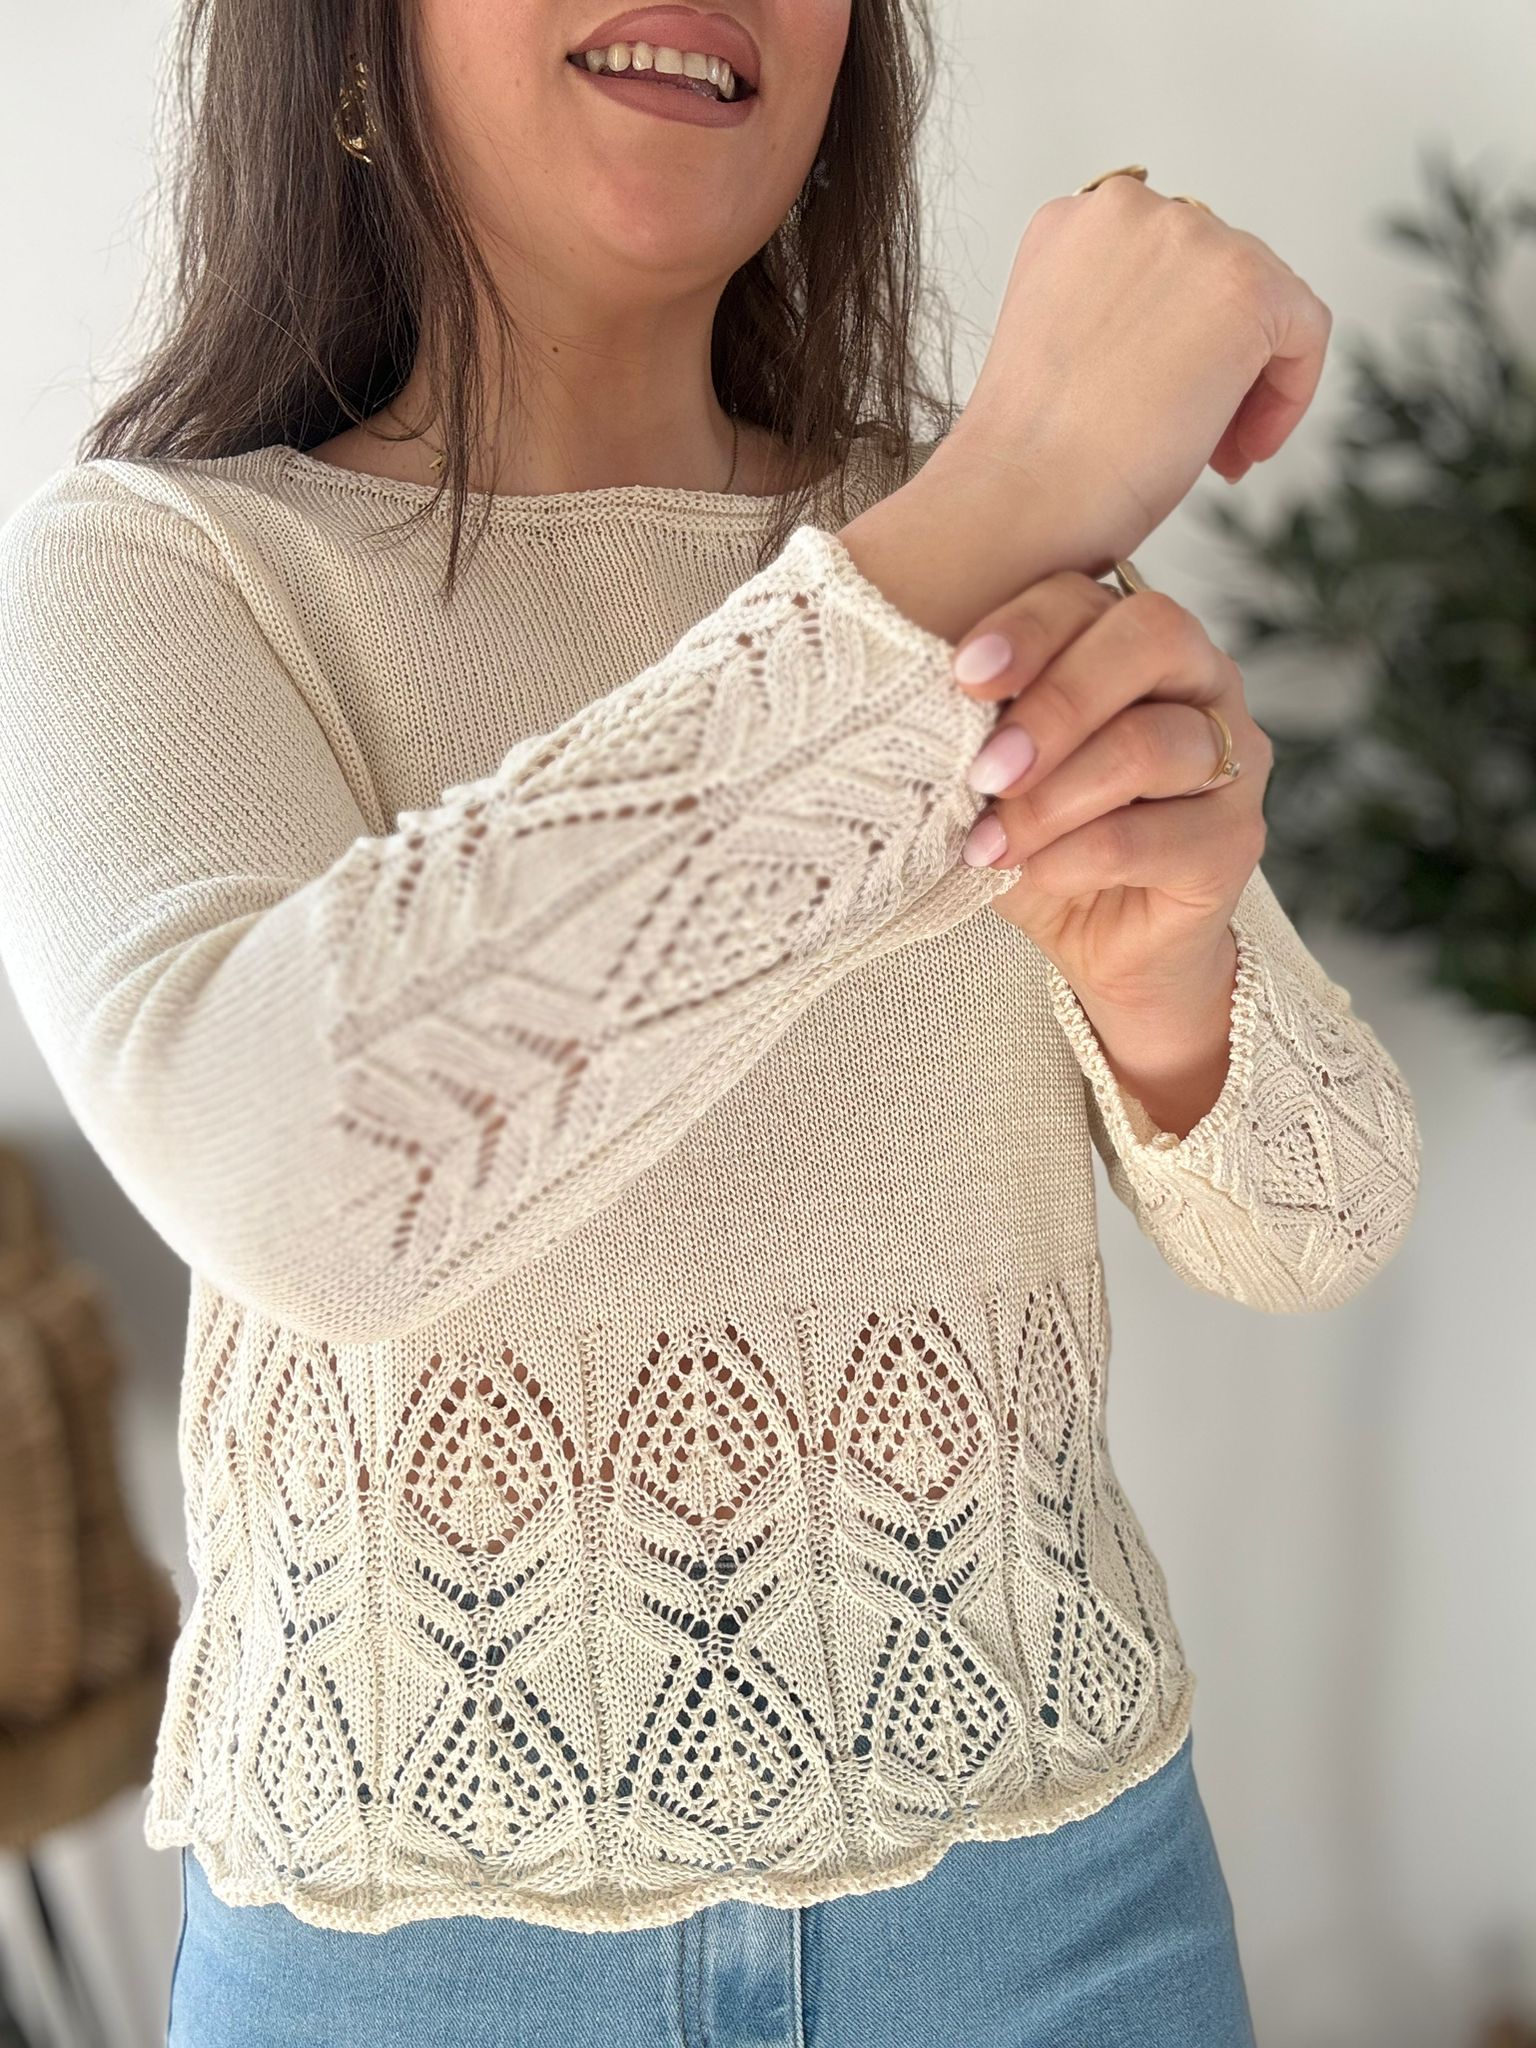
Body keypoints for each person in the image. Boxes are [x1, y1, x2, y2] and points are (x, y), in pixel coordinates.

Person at [0, 1, 1421, 2043]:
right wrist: (998, 497)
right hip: (415, 1958)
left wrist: (1163, 986)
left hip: (1053, 1912)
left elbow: (1326, 1223)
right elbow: (296, 1166)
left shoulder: (970, 541)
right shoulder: (167, 568)